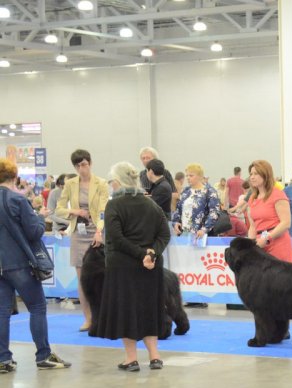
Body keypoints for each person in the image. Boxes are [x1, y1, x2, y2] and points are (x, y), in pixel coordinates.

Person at [94, 162, 171, 372]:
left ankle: (131, 358)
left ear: (117, 182)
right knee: (150, 308)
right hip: (151, 267)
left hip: (123, 267)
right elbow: (164, 234)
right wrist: (151, 253)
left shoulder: (114, 205)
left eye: (111, 182)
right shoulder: (151, 204)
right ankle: (155, 357)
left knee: (126, 310)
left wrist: (141, 254)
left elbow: (116, 238)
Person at [0, 158, 72, 373]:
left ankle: (3, 358)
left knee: (2, 311)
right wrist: (40, 218)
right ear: (15, 178)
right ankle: (43, 355)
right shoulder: (18, 200)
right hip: (20, 262)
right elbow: (34, 232)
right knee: (37, 307)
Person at [55, 149, 109, 332]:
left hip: (97, 232)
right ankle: (88, 318)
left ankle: (104, 316)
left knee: (102, 276)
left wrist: (99, 231)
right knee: (82, 278)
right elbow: (59, 209)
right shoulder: (70, 184)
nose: (81, 168)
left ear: (90, 163)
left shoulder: (101, 183)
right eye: (78, 166)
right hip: (79, 233)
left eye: (84, 164)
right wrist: (74, 211)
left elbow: (103, 210)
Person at [247, 160, 292, 262]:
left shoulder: (278, 195)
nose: (252, 177)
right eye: (251, 174)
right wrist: (251, 245)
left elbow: (286, 223)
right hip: (259, 245)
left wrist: (267, 238)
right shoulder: (252, 198)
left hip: (278, 244)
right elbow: (252, 226)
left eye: (256, 173)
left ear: (265, 175)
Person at [171, 163, 221, 242]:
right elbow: (178, 208)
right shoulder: (185, 191)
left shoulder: (209, 191)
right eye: (187, 176)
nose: (188, 178)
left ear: (200, 177)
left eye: (191, 176)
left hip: (201, 234)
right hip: (184, 232)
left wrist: (204, 229)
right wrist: (175, 222)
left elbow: (214, 213)